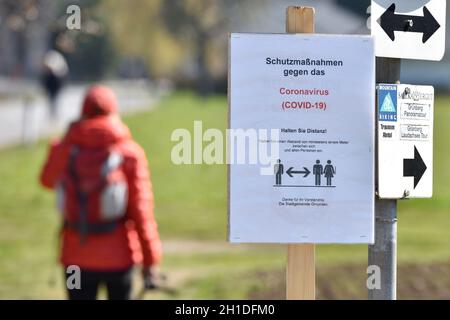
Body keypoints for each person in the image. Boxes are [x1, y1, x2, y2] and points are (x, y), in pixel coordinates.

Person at [39, 85, 162, 300]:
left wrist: (65, 140)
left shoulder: (66, 147)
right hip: (120, 261)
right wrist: (150, 261)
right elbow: (141, 212)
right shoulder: (129, 153)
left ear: (83, 111)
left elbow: (46, 180)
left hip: (74, 261)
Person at [41, 50, 68, 119]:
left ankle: (55, 116)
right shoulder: (48, 75)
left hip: (55, 90)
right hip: (51, 90)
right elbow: (45, 83)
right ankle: (51, 115)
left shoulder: (56, 75)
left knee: (56, 103)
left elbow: (59, 83)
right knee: (51, 103)